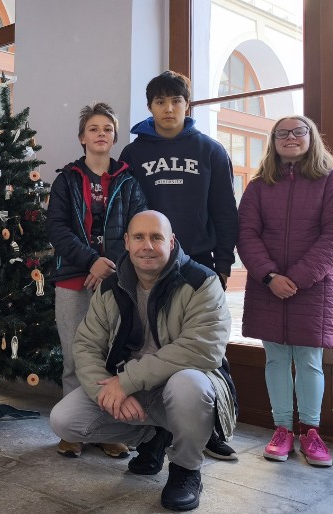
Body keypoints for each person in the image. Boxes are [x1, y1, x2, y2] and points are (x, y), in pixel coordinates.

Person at [49, 211, 236, 512]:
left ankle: (186, 470)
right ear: (126, 242)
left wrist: (126, 382)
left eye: (156, 237)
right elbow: (86, 345)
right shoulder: (110, 286)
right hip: (132, 389)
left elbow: (202, 348)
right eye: (139, 237)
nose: (147, 245)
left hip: (179, 387)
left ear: (171, 241)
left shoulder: (202, 281)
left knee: (189, 385)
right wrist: (107, 392)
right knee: (64, 420)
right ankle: (153, 435)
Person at [119, 70, 240, 461]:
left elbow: (225, 211)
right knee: (152, 343)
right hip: (148, 262)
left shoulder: (211, 151)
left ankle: (213, 426)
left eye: (176, 101)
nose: (168, 109)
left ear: (187, 105)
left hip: (198, 264)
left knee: (207, 348)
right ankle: (155, 433)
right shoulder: (133, 154)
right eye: (160, 102)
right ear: (150, 107)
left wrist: (224, 262)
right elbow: (125, 212)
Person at [237, 116, 333, 467]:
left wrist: (297, 278)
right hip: (268, 287)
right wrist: (270, 276)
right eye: (282, 133)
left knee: (309, 362)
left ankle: (310, 433)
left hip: (314, 288)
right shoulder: (259, 185)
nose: (290, 138)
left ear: (311, 137)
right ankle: (282, 430)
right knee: (275, 360)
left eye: (298, 132)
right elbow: (246, 234)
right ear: (273, 141)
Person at [46, 102, 148, 459]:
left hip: (117, 280)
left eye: (107, 129)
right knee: (74, 356)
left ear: (114, 137)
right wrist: (91, 261)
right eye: (94, 128)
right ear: (82, 137)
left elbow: (139, 229)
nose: (101, 134)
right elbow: (56, 229)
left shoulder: (129, 182)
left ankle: (106, 429)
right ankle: (72, 431)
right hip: (72, 279)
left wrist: (110, 266)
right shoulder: (66, 180)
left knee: (110, 357)